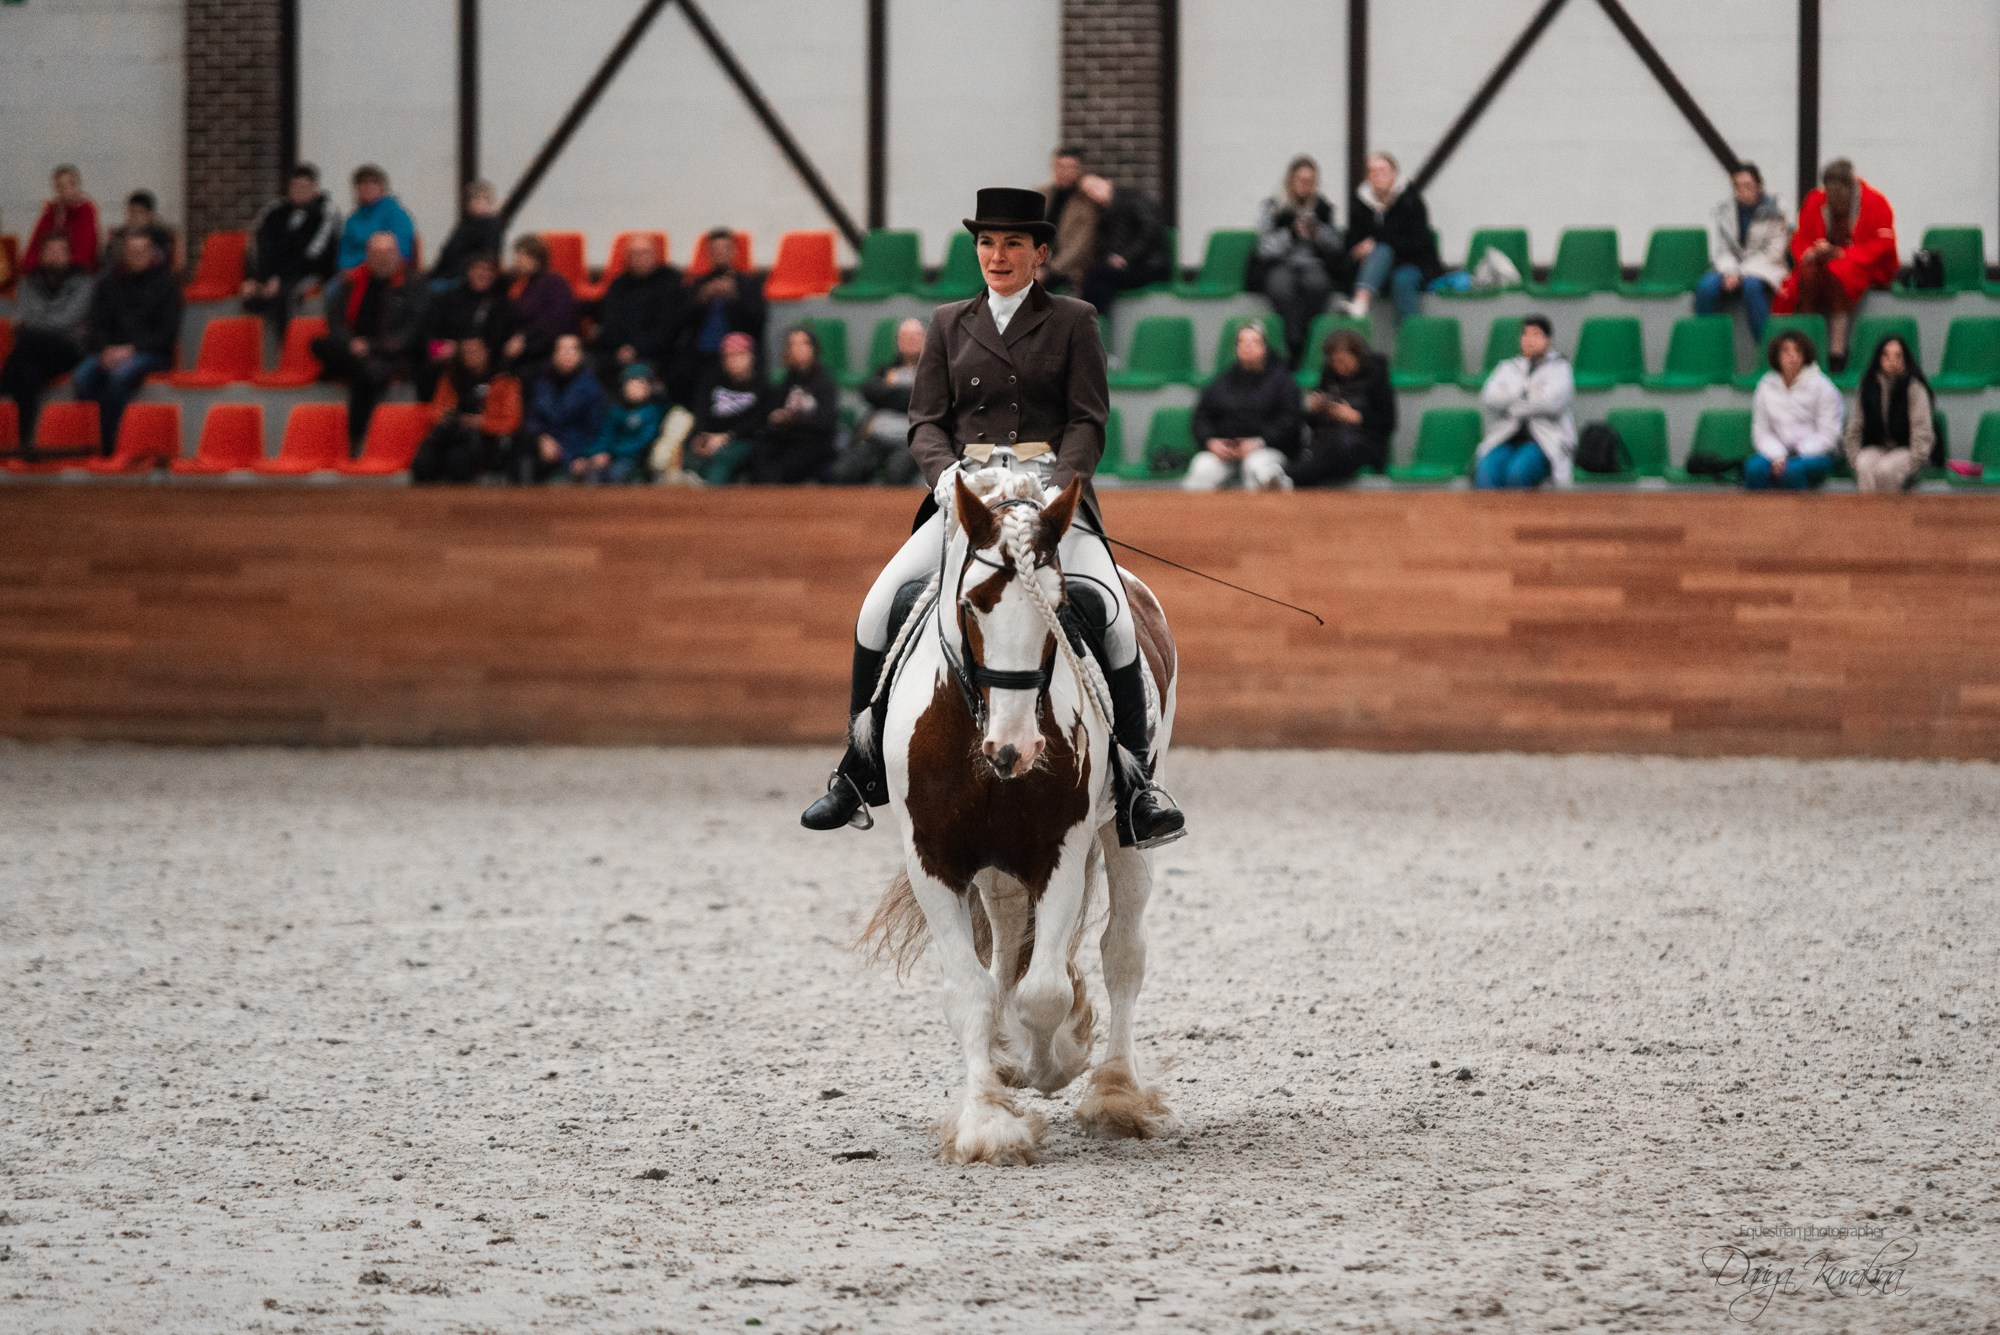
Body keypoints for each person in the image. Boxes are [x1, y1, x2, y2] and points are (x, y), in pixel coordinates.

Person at [800, 187, 1183, 846]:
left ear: (1040, 253)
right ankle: (859, 770)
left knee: (1117, 618)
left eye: (1012, 244)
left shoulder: (1073, 319)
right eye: (986, 243)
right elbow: (924, 421)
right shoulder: (949, 322)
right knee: (876, 606)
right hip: (969, 498)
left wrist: (1060, 490)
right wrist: (945, 474)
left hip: (1048, 498)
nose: (997, 256)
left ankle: (1137, 786)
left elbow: (1088, 420)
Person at [1773, 159, 1897, 373]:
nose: (1834, 200)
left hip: (1860, 264)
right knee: (1807, 274)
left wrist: (1842, 253)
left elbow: (1883, 244)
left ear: (1850, 189)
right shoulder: (1816, 200)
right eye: (1830, 194)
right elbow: (1800, 238)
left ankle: (1837, 351)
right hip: (1823, 261)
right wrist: (1810, 252)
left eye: (1839, 195)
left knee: (1838, 271)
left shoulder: (1875, 202)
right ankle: (1806, 345)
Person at [313, 232, 424, 453]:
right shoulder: (352, 281)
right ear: (368, 255)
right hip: (353, 348)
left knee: (363, 373)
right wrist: (352, 343)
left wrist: (372, 346)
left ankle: (355, 438)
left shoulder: (412, 284)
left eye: (388, 252)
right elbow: (335, 320)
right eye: (377, 252)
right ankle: (365, 366)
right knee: (318, 344)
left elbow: (413, 332)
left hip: (389, 352)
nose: (383, 258)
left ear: (397, 254)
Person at [70, 232, 182, 452]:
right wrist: (105, 350)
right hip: (111, 351)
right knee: (82, 378)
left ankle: (110, 448)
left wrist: (131, 350)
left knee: (118, 378)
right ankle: (94, 439)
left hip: (152, 352)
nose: (139, 255)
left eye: (143, 250)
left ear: (152, 253)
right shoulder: (108, 284)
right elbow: (97, 325)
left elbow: (167, 334)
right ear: (124, 254)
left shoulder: (167, 285)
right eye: (133, 251)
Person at [1181, 323, 1300, 492]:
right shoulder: (1221, 381)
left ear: (1265, 347)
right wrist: (1210, 441)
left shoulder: (1283, 381)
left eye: (1254, 342)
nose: (1247, 347)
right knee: (1202, 467)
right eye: (1242, 342)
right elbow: (1201, 417)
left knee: (1256, 468)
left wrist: (1260, 441)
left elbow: (1291, 420)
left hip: (1267, 449)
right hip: (1225, 451)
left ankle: (1277, 489)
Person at [1255, 155, 1346, 366]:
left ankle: (1302, 337)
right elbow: (1264, 247)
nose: (1306, 185)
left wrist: (1318, 233)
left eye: (1310, 181)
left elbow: (1337, 245)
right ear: (1290, 181)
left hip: (1313, 263)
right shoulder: (1273, 207)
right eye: (1301, 180)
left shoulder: (1324, 208)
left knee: (1318, 285)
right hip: (1280, 263)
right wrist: (1291, 234)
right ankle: (1294, 340)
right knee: (1281, 288)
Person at [0, 234, 93, 438]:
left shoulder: (85, 283)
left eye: (61, 251)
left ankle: (4, 383)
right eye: (50, 251)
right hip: (36, 353)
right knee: (29, 374)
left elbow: (68, 319)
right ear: (41, 255)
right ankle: (25, 440)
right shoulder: (28, 283)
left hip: (69, 349)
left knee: (29, 340)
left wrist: (36, 322)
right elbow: (27, 316)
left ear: (69, 255)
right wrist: (38, 323)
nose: (55, 256)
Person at [1474, 315, 1576, 489]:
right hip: (1506, 437)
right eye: (1525, 334)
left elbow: (1551, 403)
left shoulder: (1560, 367)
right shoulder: (1507, 367)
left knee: (1517, 472)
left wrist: (1513, 405)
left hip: (1542, 441)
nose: (1529, 340)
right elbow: (1490, 397)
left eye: (1536, 334)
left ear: (1548, 340)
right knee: (1485, 470)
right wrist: (1521, 394)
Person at [243, 163, 342, 337]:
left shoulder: (326, 212)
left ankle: (288, 346)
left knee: (285, 296)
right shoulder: (274, 211)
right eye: (295, 187)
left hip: (311, 271)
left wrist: (279, 278)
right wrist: (259, 278)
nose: (299, 191)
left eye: (304, 187)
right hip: (275, 273)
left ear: (314, 188)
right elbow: (259, 246)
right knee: (251, 295)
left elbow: (314, 255)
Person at [668, 229, 767, 402]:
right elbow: (679, 324)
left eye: (725, 249)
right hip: (701, 354)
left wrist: (736, 297)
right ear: (709, 254)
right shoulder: (697, 284)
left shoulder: (749, 284)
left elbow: (758, 322)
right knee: (678, 372)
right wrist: (701, 299)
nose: (720, 254)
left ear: (734, 251)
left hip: (735, 354)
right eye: (715, 250)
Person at [1694, 162, 1789, 342]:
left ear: (1759, 186)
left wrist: (1740, 273)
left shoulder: (1776, 211)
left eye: (1748, 186)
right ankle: (1707, 343)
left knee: (1751, 286)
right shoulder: (1725, 212)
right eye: (1738, 187)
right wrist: (1730, 270)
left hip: (1765, 267)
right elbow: (1723, 249)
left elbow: (1774, 252)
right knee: (1705, 287)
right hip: (1731, 268)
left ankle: (1765, 345)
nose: (1743, 192)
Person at [1342, 152, 1443, 319]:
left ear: (1394, 174)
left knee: (1400, 277)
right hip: (1374, 267)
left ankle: (1407, 328)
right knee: (1379, 252)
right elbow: (1352, 240)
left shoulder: (1411, 201)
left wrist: (1377, 244)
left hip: (1411, 263)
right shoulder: (1360, 204)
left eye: (1382, 171)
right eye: (1372, 172)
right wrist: (1359, 251)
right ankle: (1360, 306)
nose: (1377, 176)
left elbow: (1419, 242)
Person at [1292, 328, 1396, 486]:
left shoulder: (1377, 377)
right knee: (1318, 447)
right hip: (1329, 438)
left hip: (1364, 443)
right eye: (1334, 362)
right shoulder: (1329, 375)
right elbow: (1313, 423)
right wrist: (1315, 410)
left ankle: (1290, 476)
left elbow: (1388, 422)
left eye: (1343, 361)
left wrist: (1356, 417)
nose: (1339, 366)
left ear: (1357, 357)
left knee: (1336, 449)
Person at [411, 337, 521, 484]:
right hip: (452, 433)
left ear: (486, 351)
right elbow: (435, 412)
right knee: (424, 461)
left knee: (458, 460)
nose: (472, 356)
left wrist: (479, 422)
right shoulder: (451, 378)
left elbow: (511, 422)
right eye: (466, 352)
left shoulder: (504, 380)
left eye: (475, 351)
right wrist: (447, 418)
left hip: (485, 438)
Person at [832, 316, 926, 485]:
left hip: (909, 443)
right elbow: (868, 390)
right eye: (905, 336)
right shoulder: (886, 369)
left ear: (926, 340)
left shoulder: (934, 372)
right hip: (875, 439)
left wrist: (889, 393)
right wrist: (906, 395)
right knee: (842, 472)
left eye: (915, 336)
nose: (910, 340)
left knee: (895, 473)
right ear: (897, 342)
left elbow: (925, 401)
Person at [1747, 330, 1842, 491]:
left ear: (1805, 355)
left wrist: (1794, 455)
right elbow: (1761, 432)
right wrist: (1778, 455)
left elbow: (1829, 435)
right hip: (1777, 452)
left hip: (1815, 454)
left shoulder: (1823, 387)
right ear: (1776, 356)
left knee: (1791, 471)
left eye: (1797, 350)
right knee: (1753, 469)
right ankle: (1760, 508)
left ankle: (1800, 508)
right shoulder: (1765, 386)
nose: (1791, 355)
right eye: (1785, 351)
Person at [1841, 335, 1934, 493]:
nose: (1892, 360)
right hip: (1875, 447)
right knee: (1864, 464)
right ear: (1879, 358)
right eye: (1886, 355)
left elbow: (1922, 430)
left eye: (1897, 355)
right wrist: (1854, 457)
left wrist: (1915, 460)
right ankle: (1868, 509)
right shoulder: (1867, 386)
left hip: (1906, 449)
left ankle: (1891, 509)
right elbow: (1855, 425)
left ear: (1905, 359)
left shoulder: (1915, 388)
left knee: (1886, 470)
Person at [587, 233, 681, 386]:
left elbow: (668, 328)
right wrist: (619, 348)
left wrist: (636, 349)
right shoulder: (618, 285)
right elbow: (608, 321)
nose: (640, 258)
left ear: (656, 255)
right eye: (634, 254)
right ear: (626, 258)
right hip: (617, 352)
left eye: (645, 253)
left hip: (654, 354)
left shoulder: (670, 282)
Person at [752, 326, 840, 484]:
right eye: (792, 344)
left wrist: (791, 419)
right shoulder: (788, 379)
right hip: (788, 437)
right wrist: (776, 418)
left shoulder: (825, 381)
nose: (797, 349)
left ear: (814, 348)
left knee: (783, 466)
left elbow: (825, 422)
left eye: (803, 344)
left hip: (813, 441)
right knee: (759, 449)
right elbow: (772, 412)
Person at [518, 333, 607, 485]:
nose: (567, 354)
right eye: (562, 349)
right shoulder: (541, 384)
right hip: (545, 451)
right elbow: (531, 419)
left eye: (572, 349)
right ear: (554, 354)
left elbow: (597, 429)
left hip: (578, 453)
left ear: (581, 355)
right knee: (524, 456)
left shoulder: (592, 388)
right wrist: (542, 437)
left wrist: (581, 456)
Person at [1077, 173, 1170, 317]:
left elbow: (1151, 231)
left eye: (1095, 186)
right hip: (1131, 266)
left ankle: (1093, 322)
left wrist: (1125, 257)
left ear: (1107, 181)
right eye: (1088, 192)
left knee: (1099, 276)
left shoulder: (1133, 199)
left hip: (1149, 265)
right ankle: (1093, 322)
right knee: (1095, 275)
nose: (1093, 193)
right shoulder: (1104, 212)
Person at [684, 332, 767, 485]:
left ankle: (711, 494)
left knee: (722, 460)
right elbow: (701, 412)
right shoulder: (711, 381)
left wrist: (726, 437)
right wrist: (701, 436)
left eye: (739, 355)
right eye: (729, 356)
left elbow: (758, 421)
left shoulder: (763, 385)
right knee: (691, 459)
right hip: (711, 436)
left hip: (742, 439)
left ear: (751, 356)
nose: (734, 360)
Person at [501, 234, 578, 372]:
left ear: (537, 258)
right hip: (526, 346)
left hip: (546, 350)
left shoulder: (555, 283)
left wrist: (524, 339)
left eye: (523, 256)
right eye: (517, 256)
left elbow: (556, 321)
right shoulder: (521, 285)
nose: (518, 261)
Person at [580, 364, 665, 484]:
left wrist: (612, 453)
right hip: (611, 456)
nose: (634, 389)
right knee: (592, 472)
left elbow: (644, 441)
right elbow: (605, 436)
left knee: (615, 474)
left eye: (639, 385)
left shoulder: (652, 412)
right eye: (630, 384)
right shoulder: (616, 411)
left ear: (648, 388)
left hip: (634, 459)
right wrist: (594, 453)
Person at [1039, 146, 1099, 292]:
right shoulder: (1042, 194)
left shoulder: (1086, 204)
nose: (1064, 172)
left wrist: (1048, 270)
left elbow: (1079, 247)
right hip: (1038, 262)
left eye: (1070, 167)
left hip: (1066, 269)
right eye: (1060, 166)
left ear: (1080, 170)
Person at [336, 164, 416, 271]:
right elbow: (344, 252)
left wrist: (363, 266)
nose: (367, 187)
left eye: (373, 182)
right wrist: (347, 269)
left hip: (385, 272)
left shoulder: (396, 215)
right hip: (352, 272)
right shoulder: (353, 220)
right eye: (362, 183)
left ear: (382, 187)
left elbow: (401, 251)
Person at [25, 165, 101, 274]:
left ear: (77, 186)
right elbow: (33, 251)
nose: (64, 191)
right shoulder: (50, 213)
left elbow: (84, 255)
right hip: (47, 271)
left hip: (77, 273)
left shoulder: (86, 212)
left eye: (69, 185)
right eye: (59, 187)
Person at [428, 180, 505, 287]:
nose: (479, 204)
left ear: (490, 203)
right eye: (475, 200)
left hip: (464, 278)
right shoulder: (465, 223)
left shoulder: (491, 227)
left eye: (483, 200)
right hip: (447, 273)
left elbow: (485, 257)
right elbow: (449, 251)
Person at [107, 190, 179, 274]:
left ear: (150, 214)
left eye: (141, 212)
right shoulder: (119, 236)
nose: (136, 217)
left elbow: (172, 265)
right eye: (133, 212)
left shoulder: (163, 237)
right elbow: (110, 263)